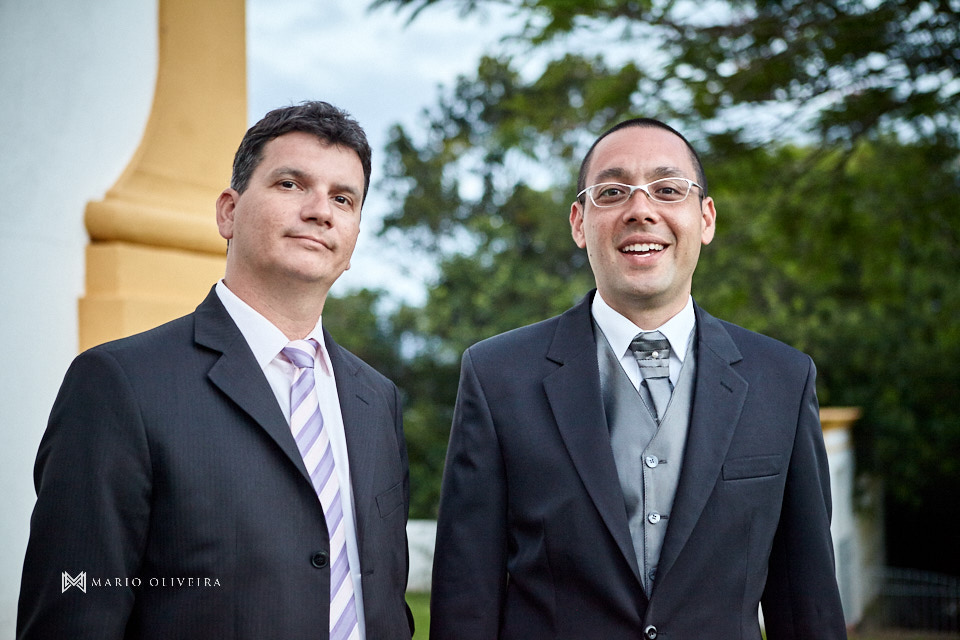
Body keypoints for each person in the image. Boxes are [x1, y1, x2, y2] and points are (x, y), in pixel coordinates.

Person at [429, 118, 847, 639]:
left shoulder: (782, 380)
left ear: (706, 218)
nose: (641, 210)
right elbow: (464, 601)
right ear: (580, 223)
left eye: (668, 190)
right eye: (613, 192)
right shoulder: (497, 376)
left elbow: (807, 607)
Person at [17, 101, 414, 640]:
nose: (321, 210)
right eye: (291, 185)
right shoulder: (118, 384)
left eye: (343, 199)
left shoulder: (378, 399)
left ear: (353, 239)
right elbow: (76, 605)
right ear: (228, 211)